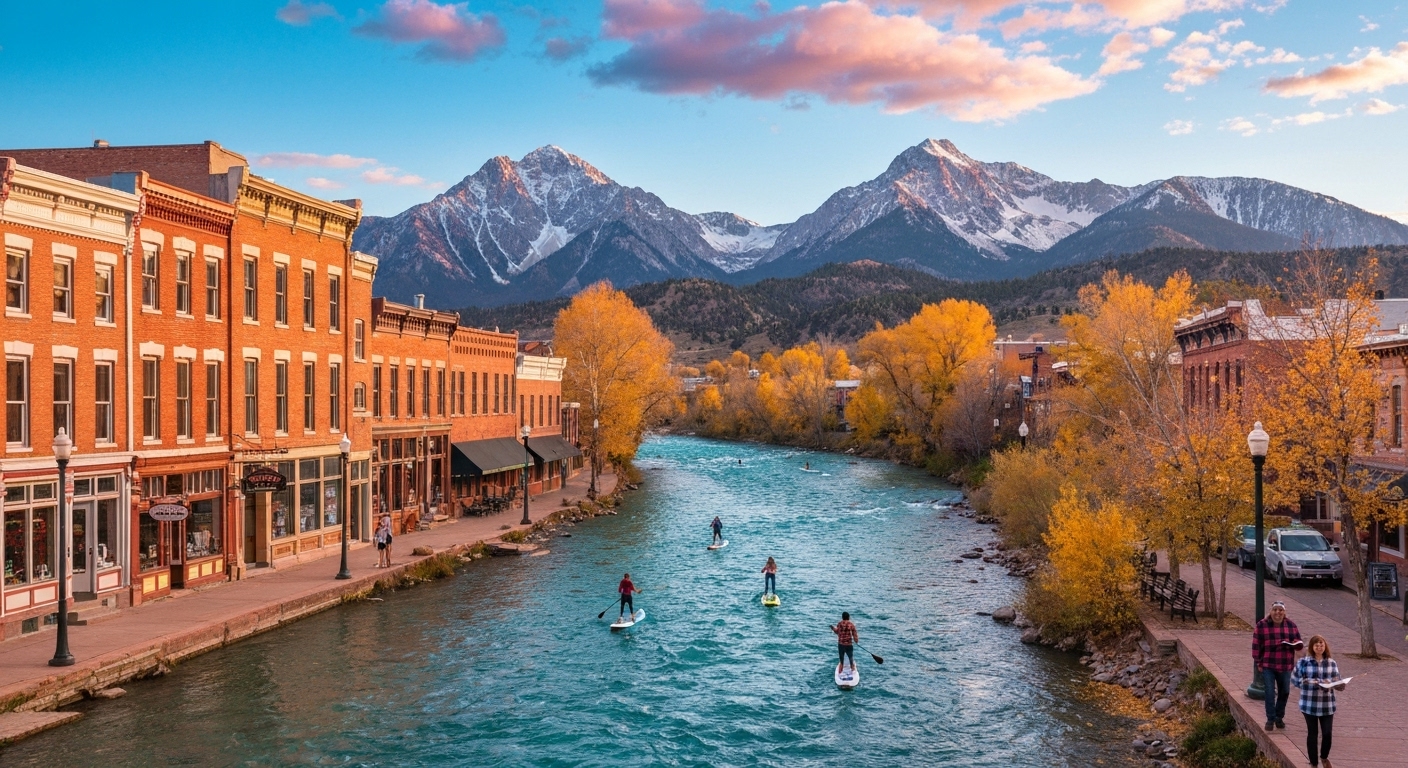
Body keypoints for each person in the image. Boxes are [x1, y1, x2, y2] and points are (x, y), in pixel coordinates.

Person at [1292, 634, 1343, 768]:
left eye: (1321, 644)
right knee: (1312, 733)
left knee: (1327, 733)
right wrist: (1310, 682)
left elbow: (1338, 681)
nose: (1319, 647)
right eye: (1316, 645)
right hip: (1309, 704)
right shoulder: (1304, 662)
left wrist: (1334, 683)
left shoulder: (1332, 663)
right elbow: (1295, 680)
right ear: (1312, 647)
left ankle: (1324, 756)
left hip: (1327, 704)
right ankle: (1313, 762)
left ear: (1325, 646)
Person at [1252, 600, 1302, 731]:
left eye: (1280, 610)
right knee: (1269, 691)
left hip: (1285, 664)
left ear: (1284, 612)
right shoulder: (1262, 625)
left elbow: (1298, 641)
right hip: (1268, 663)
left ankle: (1279, 717)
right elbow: (1256, 645)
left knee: (1284, 691)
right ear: (1271, 611)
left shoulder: (1291, 625)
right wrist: (1259, 662)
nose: (1278, 613)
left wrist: (1294, 643)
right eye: (1275, 610)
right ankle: (1270, 719)